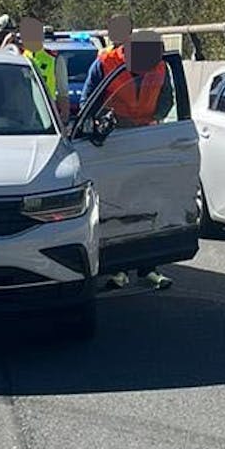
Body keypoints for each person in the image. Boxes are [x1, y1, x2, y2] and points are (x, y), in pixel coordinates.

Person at [87, 31, 174, 291]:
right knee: (119, 207)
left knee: (148, 204)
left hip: (147, 137)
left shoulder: (160, 66)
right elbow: (89, 102)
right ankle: (119, 269)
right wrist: (105, 122)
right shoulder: (105, 63)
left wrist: (155, 119)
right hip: (115, 140)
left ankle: (149, 267)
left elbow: (167, 98)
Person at [17, 17, 70, 122]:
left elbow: (62, 93)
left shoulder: (54, 58)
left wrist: (64, 119)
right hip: (23, 114)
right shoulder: (19, 57)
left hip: (47, 112)